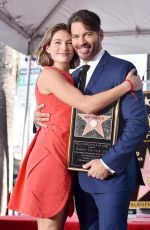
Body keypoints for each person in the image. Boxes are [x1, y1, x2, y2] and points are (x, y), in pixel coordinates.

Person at [8, 24, 140, 230]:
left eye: (69, 42)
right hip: (50, 157)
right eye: (57, 43)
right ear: (47, 48)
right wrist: (127, 86)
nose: (64, 47)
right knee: (51, 226)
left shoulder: (74, 77)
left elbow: (59, 112)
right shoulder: (50, 75)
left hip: (66, 159)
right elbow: (86, 104)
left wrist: (38, 117)